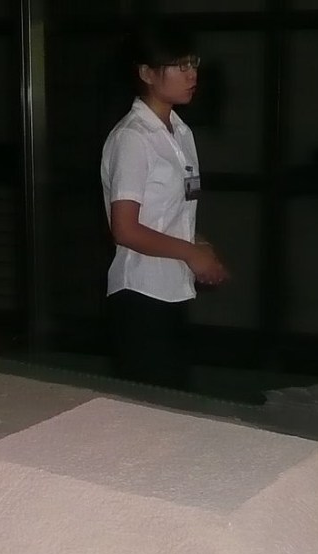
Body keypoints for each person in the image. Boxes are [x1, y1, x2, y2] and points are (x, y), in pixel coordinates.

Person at [100, 21, 229, 392]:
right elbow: (124, 227)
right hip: (141, 293)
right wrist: (190, 252)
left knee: (172, 403)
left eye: (193, 63)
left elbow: (169, 213)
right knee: (153, 411)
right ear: (146, 73)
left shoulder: (179, 132)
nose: (192, 74)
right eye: (180, 66)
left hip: (171, 289)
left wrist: (198, 247)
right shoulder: (134, 138)